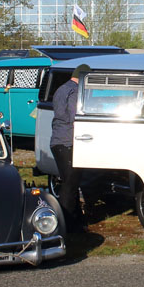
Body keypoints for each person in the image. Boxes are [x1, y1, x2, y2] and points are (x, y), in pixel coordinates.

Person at [50, 64, 88, 232]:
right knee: (70, 184)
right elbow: (75, 116)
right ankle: (66, 223)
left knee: (69, 182)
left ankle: (76, 221)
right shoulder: (75, 92)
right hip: (67, 141)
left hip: (57, 141)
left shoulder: (61, 89)